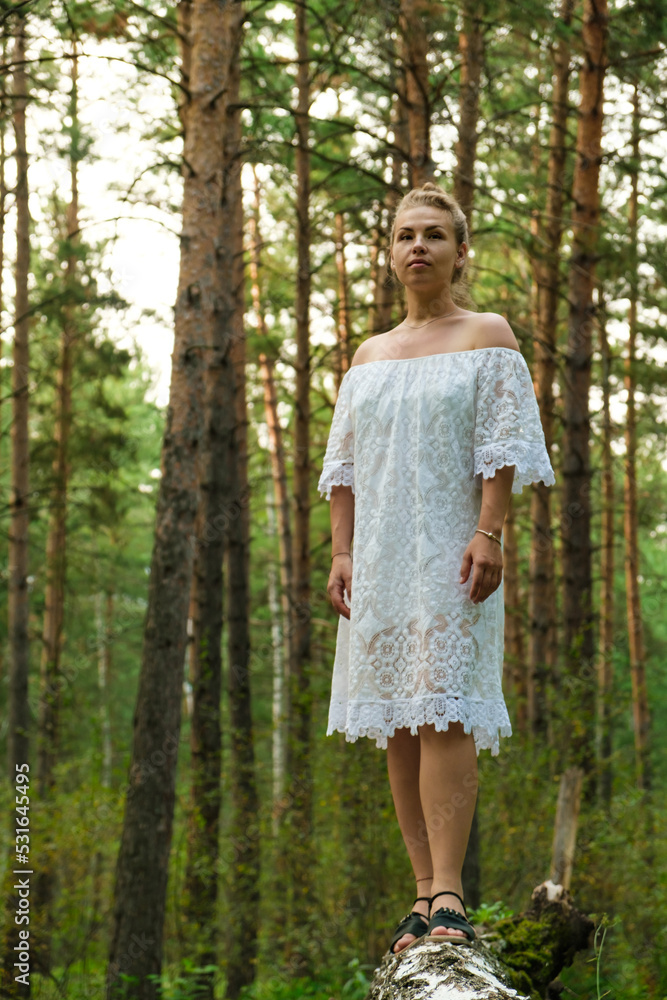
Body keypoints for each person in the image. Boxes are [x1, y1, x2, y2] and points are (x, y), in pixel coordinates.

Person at [317, 182, 555, 955]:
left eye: (433, 236)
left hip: (454, 552)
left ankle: (451, 894)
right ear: (389, 254)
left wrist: (491, 530)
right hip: (380, 559)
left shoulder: (486, 335)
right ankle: (421, 896)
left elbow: (502, 444)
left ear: (460, 252)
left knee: (444, 710)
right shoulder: (368, 354)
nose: (416, 246)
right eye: (403, 236)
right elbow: (343, 467)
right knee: (395, 719)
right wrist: (342, 552)